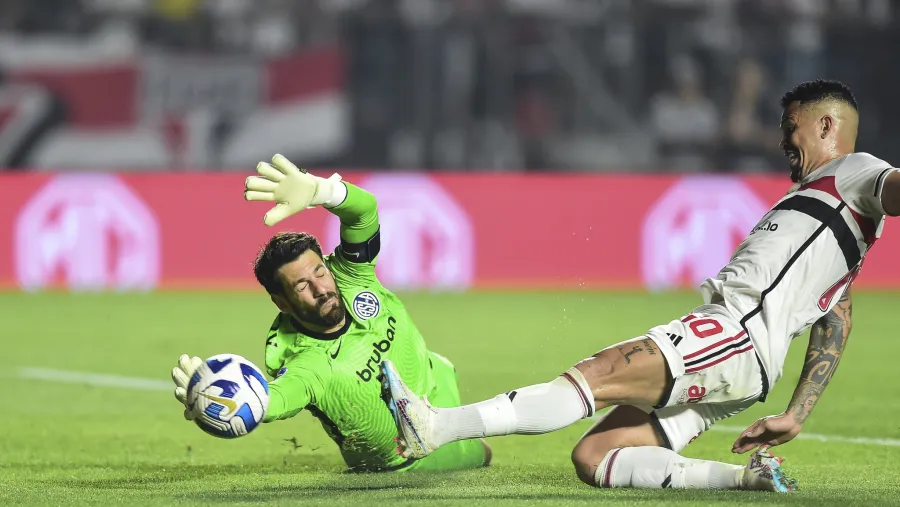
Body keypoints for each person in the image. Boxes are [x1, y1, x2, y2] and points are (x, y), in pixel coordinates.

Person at [380, 79, 900, 492]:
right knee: (595, 458)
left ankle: (436, 427)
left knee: (596, 375)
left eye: (792, 128)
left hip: (731, 336)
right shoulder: (832, 221)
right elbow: (836, 314)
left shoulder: (857, 172)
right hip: (753, 364)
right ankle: (747, 478)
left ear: (826, 124)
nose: (784, 141)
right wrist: (796, 413)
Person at [170, 154, 491, 473]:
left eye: (319, 272)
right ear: (282, 302)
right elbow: (274, 401)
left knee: (446, 371)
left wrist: (320, 191)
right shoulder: (309, 365)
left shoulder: (351, 274)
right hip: (412, 455)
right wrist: (211, 398)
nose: (321, 287)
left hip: (436, 379)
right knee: (483, 455)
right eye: (301, 286)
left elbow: (364, 212)